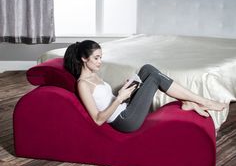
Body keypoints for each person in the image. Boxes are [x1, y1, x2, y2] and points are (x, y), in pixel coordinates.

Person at [64, 40, 227, 133]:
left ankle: (188, 101)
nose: (100, 62)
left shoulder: (94, 74)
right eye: (97, 58)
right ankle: (203, 101)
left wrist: (128, 87)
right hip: (125, 120)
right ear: (84, 59)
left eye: (101, 57)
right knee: (154, 78)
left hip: (124, 106)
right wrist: (120, 97)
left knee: (147, 69)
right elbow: (98, 120)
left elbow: (107, 98)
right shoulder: (83, 84)